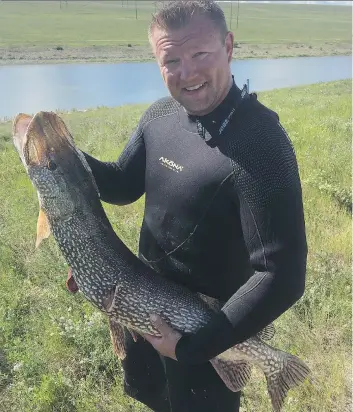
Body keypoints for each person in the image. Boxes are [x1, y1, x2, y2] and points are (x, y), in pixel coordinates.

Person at [78, 1, 308, 411]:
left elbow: (282, 275)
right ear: (157, 61)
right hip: (140, 309)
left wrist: (193, 347)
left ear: (229, 46)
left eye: (200, 54)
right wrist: (64, 162)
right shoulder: (161, 115)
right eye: (172, 60)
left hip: (210, 335)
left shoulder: (262, 146)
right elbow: (121, 183)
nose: (189, 73)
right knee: (152, 397)